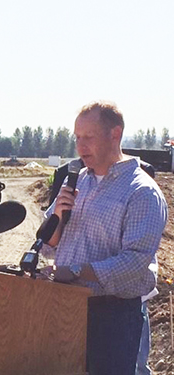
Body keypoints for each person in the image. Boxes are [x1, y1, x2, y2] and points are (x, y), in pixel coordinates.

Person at [41, 101, 168, 375]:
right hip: (64, 309)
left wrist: (75, 272)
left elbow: (134, 263)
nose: (80, 146)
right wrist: (59, 216)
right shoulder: (75, 182)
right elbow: (48, 244)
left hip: (113, 316)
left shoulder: (142, 191)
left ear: (115, 135)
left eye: (89, 137)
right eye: (77, 138)